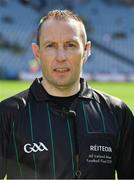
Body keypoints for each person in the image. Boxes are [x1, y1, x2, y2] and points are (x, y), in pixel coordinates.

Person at [0, 9, 134, 179]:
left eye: (71, 45)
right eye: (50, 45)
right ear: (37, 52)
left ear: (86, 50)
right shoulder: (8, 114)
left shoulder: (117, 113)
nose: (61, 56)